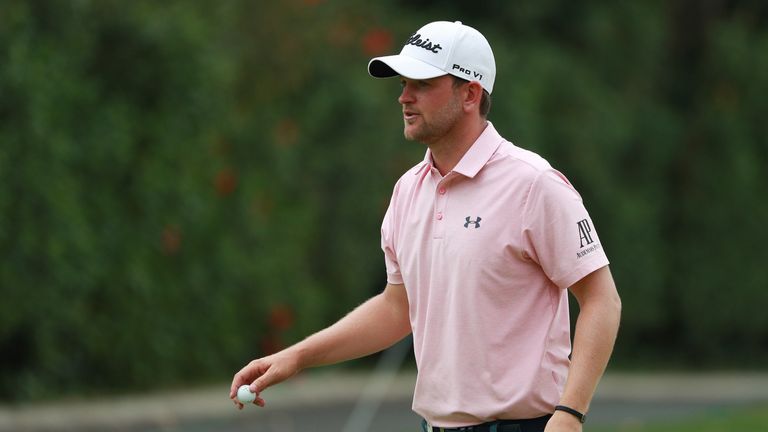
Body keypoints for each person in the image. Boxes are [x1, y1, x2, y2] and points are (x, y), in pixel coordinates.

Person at [230, 20, 621, 432]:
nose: (404, 97)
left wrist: (570, 413)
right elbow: (397, 309)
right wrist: (297, 357)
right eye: (403, 84)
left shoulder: (533, 183)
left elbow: (601, 300)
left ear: (470, 94)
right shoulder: (407, 191)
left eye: (422, 84)